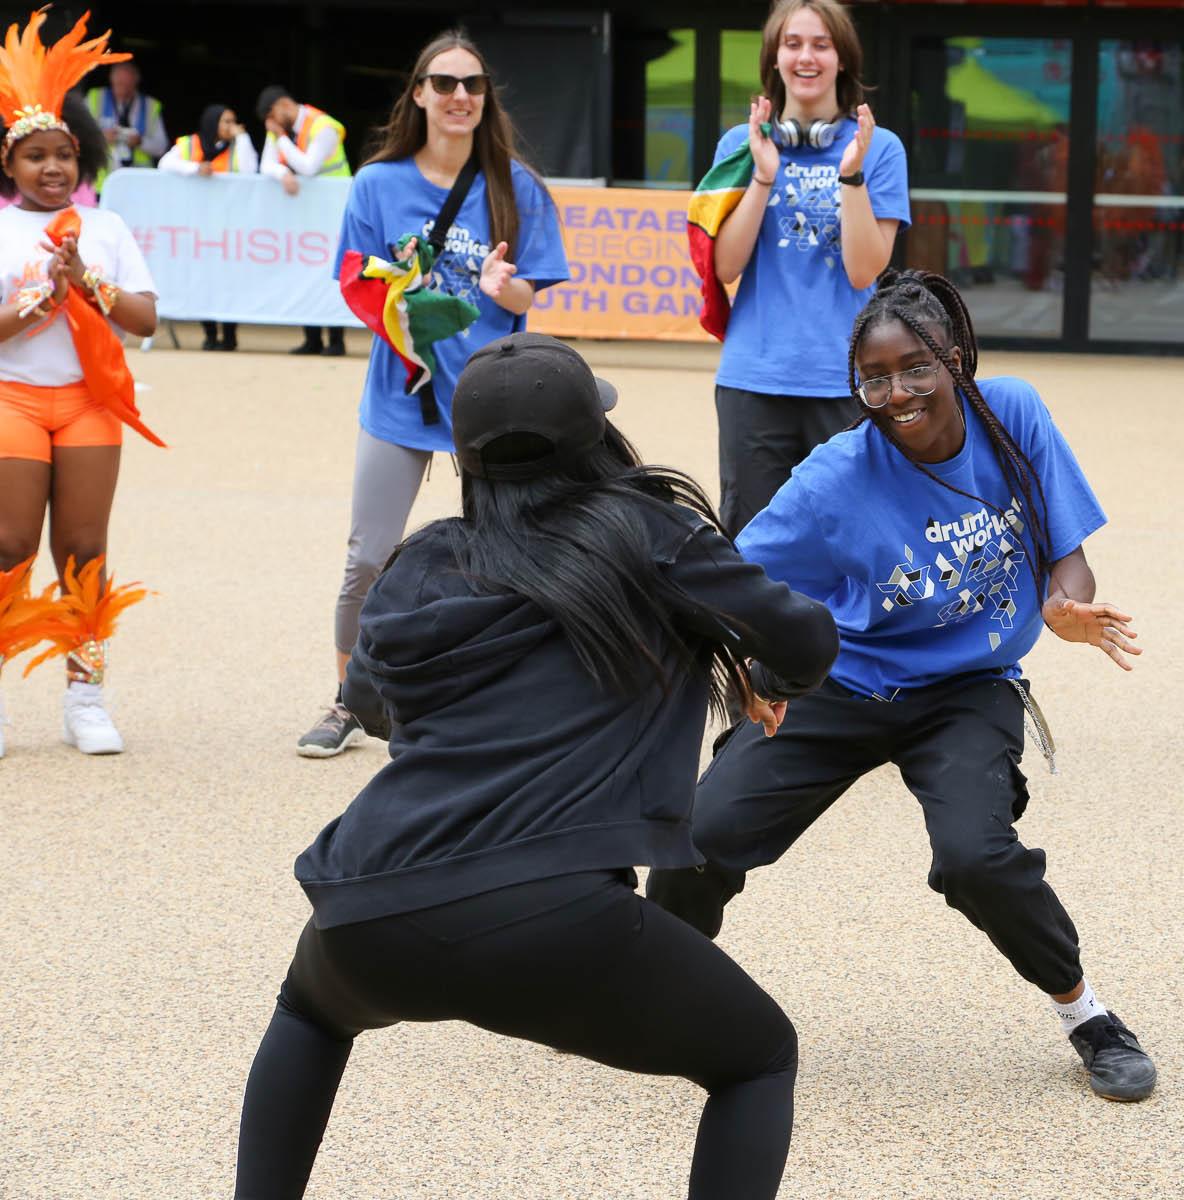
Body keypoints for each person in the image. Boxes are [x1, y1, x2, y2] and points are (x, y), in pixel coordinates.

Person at [236, 333, 839, 1199]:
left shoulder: (422, 562)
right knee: (758, 1059)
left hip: (369, 903)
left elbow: (370, 704)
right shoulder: (647, 531)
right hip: (552, 914)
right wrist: (739, 655)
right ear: (597, 438)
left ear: (464, 460)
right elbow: (809, 640)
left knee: (310, 1012)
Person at [648, 270, 1159, 1103]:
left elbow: (1066, 548)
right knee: (700, 837)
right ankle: (642, 985)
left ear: (953, 358)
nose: (898, 392)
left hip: (968, 687)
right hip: (842, 684)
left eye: (915, 367)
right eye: (875, 377)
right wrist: (743, 672)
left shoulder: (1014, 412)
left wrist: (1065, 604)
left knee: (976, 858)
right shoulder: (834, 477)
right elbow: (728, 578)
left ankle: (1089, 1018)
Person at [295, 31, 568, 758]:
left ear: (486, 97)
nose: (458, 97)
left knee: (510, 556)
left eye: (472, 85)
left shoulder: (520, 188)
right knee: (369, 555)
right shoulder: (377, 186)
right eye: (443, 83)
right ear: (417, 93)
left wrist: (508, 290)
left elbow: (529, 290)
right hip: (402, 398)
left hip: (491, 401)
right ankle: (350, 699)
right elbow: (356, 283)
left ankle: (501, 699)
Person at [0, 12, 159, 756]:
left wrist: (88, 287)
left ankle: (85, 697)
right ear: (10, 165)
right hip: (13, 398)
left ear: (82, 157)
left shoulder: (109, 229)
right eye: (36, 157)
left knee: (84, 548)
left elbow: (147, 320)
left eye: (64, 154)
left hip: (90, 402)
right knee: (8, 544)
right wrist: (36, 303)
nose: (53, 169)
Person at [708, 0, 909, 537]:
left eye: (821, 44)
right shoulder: (740, 144)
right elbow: (725, 265)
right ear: (774, 58)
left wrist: (851, 177)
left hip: (843, 378)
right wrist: (762, 176)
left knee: (848, 534)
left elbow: (865, 271)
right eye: (793, 43)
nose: (806, 56)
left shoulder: (879, 149)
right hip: (755, 379)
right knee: (753, 543)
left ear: (842, 59)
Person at [256, 84, 351, 357]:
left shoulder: (323, 126)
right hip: (305, 216)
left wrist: (281, 138)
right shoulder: (279, 128)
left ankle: (336, 339)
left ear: (285, 104)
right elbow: (266, 164)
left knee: (332, 274)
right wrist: (281, 174)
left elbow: (308, 167)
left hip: (334, 212)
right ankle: (311, 338)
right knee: (303, 271)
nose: (271, 124)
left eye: (274, 114)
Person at [158, 105, 256, 352]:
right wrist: (194, 169)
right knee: (204, 278)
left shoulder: (238, 146)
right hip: (199, 226)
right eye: (225, 122)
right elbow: (164, 164)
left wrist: (242, 138)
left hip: (228, 225)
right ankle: (210, 333)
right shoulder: (191, 144)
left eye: (234, 121)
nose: (230, 126)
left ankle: (230, 335)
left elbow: (248, 171)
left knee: (229, 281)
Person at [84, 61, 167, 183]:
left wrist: (140, 142)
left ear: (135, 83)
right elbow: (77, 138)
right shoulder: (94, 98)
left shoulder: (150, 106)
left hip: (138, 181)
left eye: (127, 84)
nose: (122, 88)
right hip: (100, 182)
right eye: (119, 83)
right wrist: (100, 138)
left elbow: (161, 147)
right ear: (111, 80)